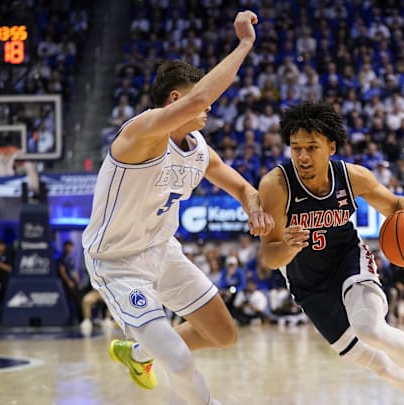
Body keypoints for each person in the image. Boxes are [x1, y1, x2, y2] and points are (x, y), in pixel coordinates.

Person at [81, 11, 273, 405]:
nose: (208, 108)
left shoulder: (199, 149)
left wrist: (253, 207)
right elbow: (202, 97)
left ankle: (136, 354)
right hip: (118, 264)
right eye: (197, 98)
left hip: (163, 253)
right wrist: (245, 45)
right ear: (175, 100)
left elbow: (241, 186)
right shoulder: (141, 134)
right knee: (181, 363)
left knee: (223, 333)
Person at [258, 102, 404, 405]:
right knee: (380, 365)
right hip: (308, 285)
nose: (302, 156)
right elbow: (270, 257)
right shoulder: (276, 186)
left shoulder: (353, 177)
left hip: (347, 260)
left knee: (370, 328)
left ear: (331, 147)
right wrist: (288, 246)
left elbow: (394, 205)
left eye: (311, 147)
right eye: (295, 147)